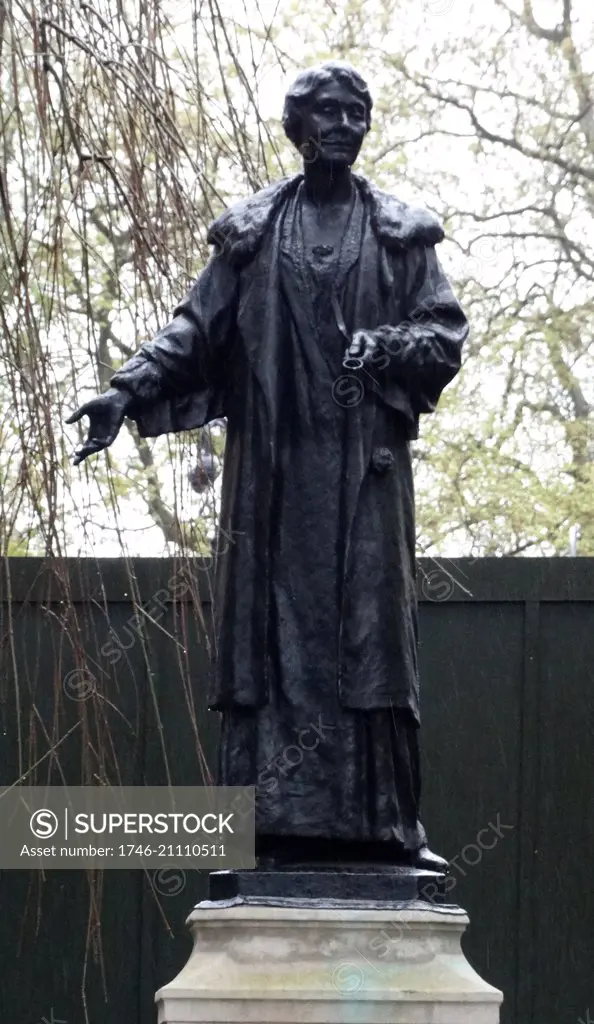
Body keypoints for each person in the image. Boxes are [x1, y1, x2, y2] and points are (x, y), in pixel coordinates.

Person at [67, 61, 469, 872]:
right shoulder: (253, 234)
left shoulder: (400, 233)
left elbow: (445, 335)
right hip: (275, 485)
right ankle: (267, 824)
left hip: (364, 482)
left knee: (372, 647)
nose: (346, 125)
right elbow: (194, 331)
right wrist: (125, 389)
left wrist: (386, 344)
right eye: (329, 112)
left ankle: (384, 829)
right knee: (271, 648)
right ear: (299, 127)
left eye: (358, 113)